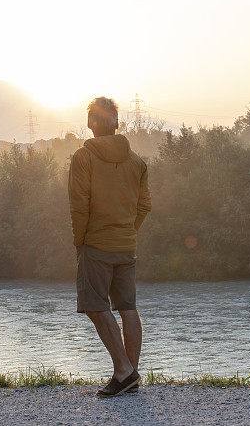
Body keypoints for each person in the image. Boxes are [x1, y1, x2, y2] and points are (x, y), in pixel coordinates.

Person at [68, 96, 151, 398]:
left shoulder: (83, 158)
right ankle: (130, 375)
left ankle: (123, 371)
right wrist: (128, 231)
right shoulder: (138, 163)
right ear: (117, 123)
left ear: (90, 123)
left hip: (96, 244)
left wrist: (81, 242)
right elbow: (145, 205)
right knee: (128, 307)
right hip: (126, 245)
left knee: (94, 306)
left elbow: (79, 205)